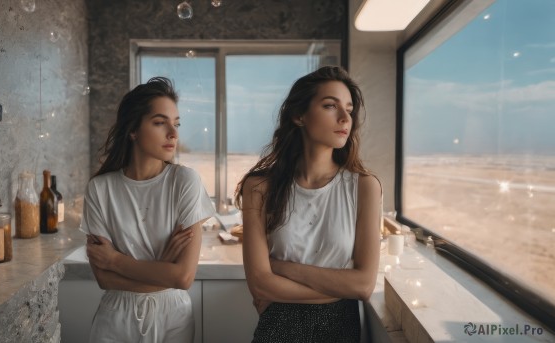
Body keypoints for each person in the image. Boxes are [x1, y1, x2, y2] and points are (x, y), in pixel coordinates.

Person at [235, 66, 382, 342]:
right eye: (330, 106)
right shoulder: (258, 187)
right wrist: (341, 287)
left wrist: (281, 268)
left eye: (349, 110)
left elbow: (363, 285)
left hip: (339, 331)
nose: (344, 118)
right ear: (299, 115)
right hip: (277, 329)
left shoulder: (364, 187)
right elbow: (259, 284)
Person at [81, 77, 215, 342]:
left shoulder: (185, 181)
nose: (174, 134)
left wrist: (115, 261)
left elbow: (184, 277)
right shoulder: (100, 189)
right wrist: (163, 266)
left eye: (176, 124)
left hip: (173, 318)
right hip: (114, 319)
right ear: (133, 130)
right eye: (159, 122)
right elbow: (104, 279)